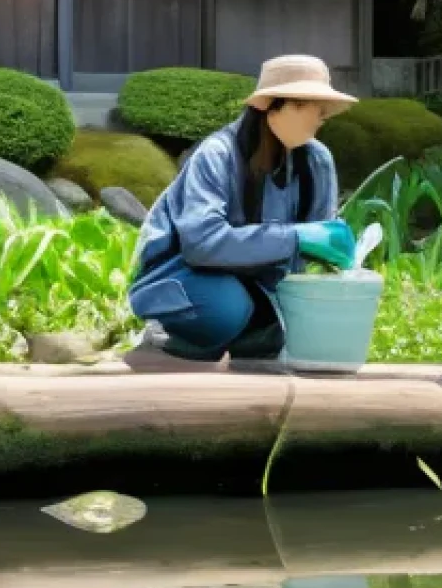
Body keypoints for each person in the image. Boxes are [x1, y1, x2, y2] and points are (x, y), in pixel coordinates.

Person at [126, 55, 358, 364]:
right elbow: (202, 244)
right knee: (227, 308)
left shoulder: (317, 162)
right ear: (271, 107)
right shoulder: (217, 155)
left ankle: (248, 335)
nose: (322, 116)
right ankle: (167, 334)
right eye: (309, 105)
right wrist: (295, 238)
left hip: (259, 285)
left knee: (281, 320)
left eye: (323, 107)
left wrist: (332, 253)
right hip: (181, 275)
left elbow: (316, 242)